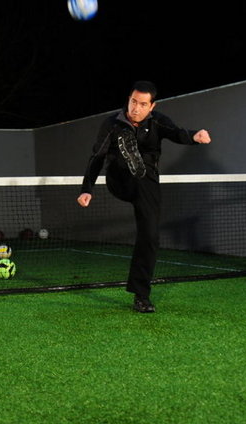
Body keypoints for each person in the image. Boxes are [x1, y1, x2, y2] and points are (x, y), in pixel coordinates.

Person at [77, 81, 211, 313]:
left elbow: (176, 133)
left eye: (142, 104)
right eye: (133, 102)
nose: (135, 108)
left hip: (146, 183)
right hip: (119, 179)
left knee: (150, 236)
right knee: (125, 164)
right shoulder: (112, 123)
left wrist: (194, 136)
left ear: (151, 106)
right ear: (128, 100)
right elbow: (97, 156)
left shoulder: (158, 121)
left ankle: (141, 296)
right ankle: (129, 156)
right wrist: (87, 188)